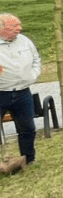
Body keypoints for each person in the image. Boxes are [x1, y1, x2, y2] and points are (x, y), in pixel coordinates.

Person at [0, 13, 41, 167]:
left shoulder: (24, 41)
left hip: (22, 92)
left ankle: (29, 159)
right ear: (1, 28)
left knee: (28, 128)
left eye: (19, 25)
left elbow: (36, 60)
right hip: (1, 92)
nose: (20, 29)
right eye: (15, 26)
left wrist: (33, 75)